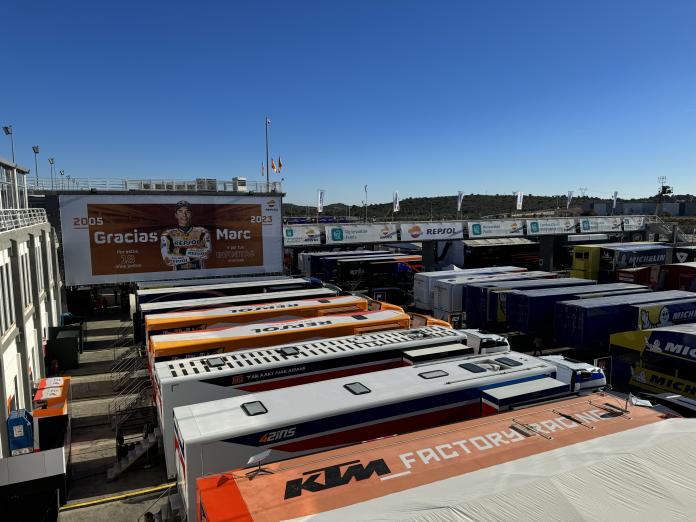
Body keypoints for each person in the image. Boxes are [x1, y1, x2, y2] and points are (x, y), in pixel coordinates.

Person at [160, 200, 211, 270]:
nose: (184, 215)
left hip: (199, 274)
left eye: (187, 211)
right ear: (176, 215)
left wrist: (180, 251)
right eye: (180, 211)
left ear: (191, 214)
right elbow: (167, 259)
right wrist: (195, 255)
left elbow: (207, 253)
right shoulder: (168, 234)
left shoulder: (202, 232)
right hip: (178, 276)